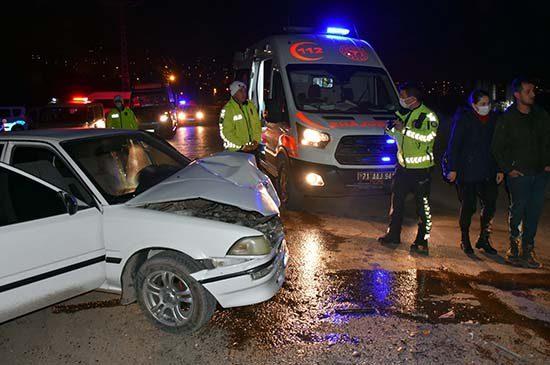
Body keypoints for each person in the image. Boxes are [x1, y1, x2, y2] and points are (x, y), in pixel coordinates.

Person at [492, 77, 550, 268]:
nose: (532, 94)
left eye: (533, 90)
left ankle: (528, 248)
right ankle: (514, 246)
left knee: (534, 212)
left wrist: (547, 163)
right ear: (517, 94)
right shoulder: (507, 119)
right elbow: (497, 147)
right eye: (528, 91)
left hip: (540, 173)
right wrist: (508, 168)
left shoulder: (541, 116)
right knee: (518, 210)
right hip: (519, 175)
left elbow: (547, 141)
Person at [378, 83, 439, 255]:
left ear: (412, 98)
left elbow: (427, 137)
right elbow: (394, 132)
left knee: (423, 207)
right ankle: (393, 235)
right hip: (403, 168)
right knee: (397, 203)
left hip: (421, 169)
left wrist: (403, 130)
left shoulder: (428, 116)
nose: (401, 99)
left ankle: (422, 241)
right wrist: (389, 128)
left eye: (403, 96)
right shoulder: (402, 113)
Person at [445, 90, 503, 255]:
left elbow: (498, 146)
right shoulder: (464, 119)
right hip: (467, 171)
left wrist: (499, 168)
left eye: (488, 103)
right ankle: (465, 238)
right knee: (469, 206)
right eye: (482, 104)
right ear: (474, 105)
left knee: (490, 204)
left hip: (488, 170)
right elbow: (454, 145)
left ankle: (484, 238)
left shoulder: (493, 120)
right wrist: (453, 169)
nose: (487, 107)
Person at [219, 81, 262, 161]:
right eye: (240, 91)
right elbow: (226, 133)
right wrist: (242, 146)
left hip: (252, 150)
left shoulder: (250, 105)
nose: (243, 94)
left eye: (244, 91)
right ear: (234, 93)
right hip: (236, 152)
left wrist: (256, 141)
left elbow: (257, 125)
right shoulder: (228, 110)